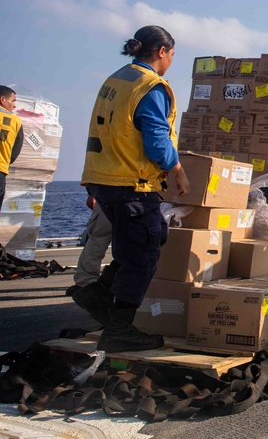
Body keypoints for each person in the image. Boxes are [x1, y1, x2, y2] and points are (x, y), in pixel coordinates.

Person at [76, 25, 190, 353]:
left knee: (146, 240)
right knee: (143, 254)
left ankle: (98, 293)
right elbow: (156, 139)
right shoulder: (150, 86)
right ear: (161, 52)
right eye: (171, 54)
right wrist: (178, 171)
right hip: (132, 183)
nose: (170, 61)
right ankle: (120, 328)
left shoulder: (115, 80)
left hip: (104, 179)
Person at [64, 196, 114, 296]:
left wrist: (92, 193)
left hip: (110, 195)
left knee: (98, 238)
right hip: (142, 197)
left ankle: (86, 282)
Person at [0, 86, 24, 209]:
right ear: (2, 99)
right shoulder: (15, 120)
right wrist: (5, 162)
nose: (14, 106)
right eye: (13, 101)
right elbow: (16, 149)